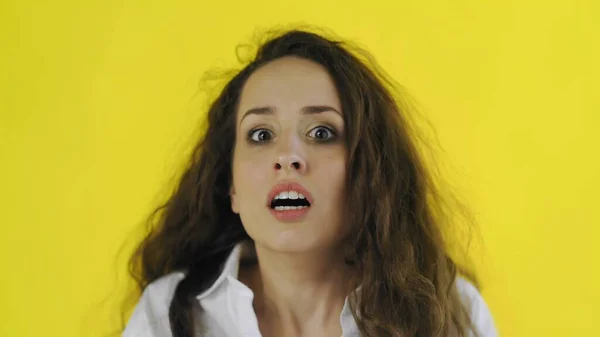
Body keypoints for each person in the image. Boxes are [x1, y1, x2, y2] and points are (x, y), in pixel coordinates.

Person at [122, 28, 497, 337]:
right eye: (261, 135)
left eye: (321, 132)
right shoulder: (166, 315)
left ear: (369, 174)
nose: (287, 156)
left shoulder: (448, 312)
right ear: (231, 187)